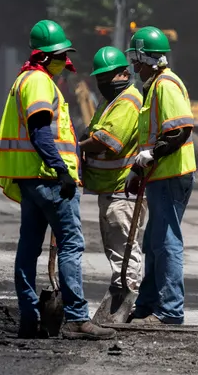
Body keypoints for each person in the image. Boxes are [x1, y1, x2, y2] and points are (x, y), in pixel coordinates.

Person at [0, 20, 115, 341]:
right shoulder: (39, 83)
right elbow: (41, 131)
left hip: (32, 180)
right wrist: (61, 170)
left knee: (28, 248)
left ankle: (30, 320)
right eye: (59, 55)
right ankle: (75, 319)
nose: (63, 61)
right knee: (71, 244)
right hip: (50, 180)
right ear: (44, 57)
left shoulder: (24, 80)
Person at [126, 26, 196, 326]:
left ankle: (170, 310)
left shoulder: (165, 85)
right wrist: (137, 169)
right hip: (159, 175)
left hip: (171, 175)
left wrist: (152, 155)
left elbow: (180, 130)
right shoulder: (154, 86)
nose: (134, 67)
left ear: (147, 58)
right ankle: (147, 305)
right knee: (154, 242)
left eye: (136, 59)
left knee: (166, 242)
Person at [78, 46, 145, 298]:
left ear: (124, 74)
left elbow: (109, 141)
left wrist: (79, 147)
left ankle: (127, 298)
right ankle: (124, 296)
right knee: (117, 249)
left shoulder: (128, 102)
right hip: (111, 189)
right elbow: (93, 132)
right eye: (100, 78)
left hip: (123, 190)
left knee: (125, 250)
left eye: (109, 77)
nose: (104, 82)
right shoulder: (110, 101)